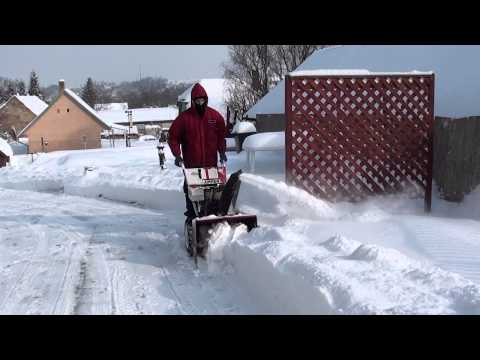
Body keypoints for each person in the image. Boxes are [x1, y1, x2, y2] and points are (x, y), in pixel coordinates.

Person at [168, 83, 227, 222]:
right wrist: (177, 155)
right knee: (193, 191)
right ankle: (192, 216)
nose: (200, 103)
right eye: (197, 100)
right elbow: (173, 137)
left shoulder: (215, 116)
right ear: (193, 101)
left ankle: (213, 215)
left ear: (206, 100)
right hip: (192, 165)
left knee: (213, 190)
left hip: (211, 163)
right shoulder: (184, 119)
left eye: (203, 100)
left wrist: (222, 152)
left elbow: (221, 136)